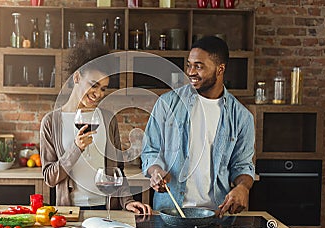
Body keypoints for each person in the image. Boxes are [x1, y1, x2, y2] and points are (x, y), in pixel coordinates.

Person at [141, 36, 255, 217]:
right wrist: (156, 172)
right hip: (169, 212)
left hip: (216, 215)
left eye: (199, 66)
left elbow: (242, 166)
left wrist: (243, 187)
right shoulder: (167, 104)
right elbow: (150, 151)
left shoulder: (242, 117)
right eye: (189, 65)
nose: (191, 72)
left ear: (220, 69)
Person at [40, 40, 151, 215]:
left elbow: (118, 172)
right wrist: (76, 148)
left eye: (103, 88)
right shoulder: (51, 122)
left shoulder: (107, 119)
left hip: (107, 209)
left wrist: (128, 201)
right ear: (76, 77)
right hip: (70, 212)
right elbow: (50, 178)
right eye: (93, 85)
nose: (98, 94)